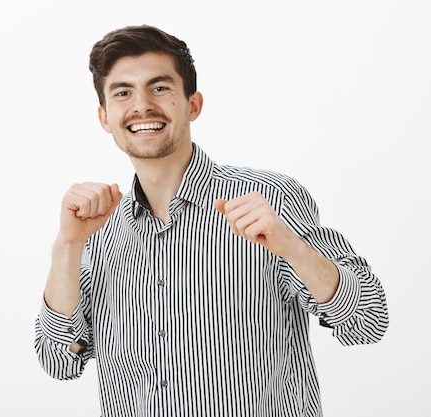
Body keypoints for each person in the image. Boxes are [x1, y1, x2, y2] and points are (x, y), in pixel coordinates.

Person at [34, 24, 389, 416]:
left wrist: (293, 249)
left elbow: (368, 321)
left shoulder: (271, 201)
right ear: (105, 117)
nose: (142, 105)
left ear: (193, 104)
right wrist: (67, 247)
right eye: (122, 92)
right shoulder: (97, 230)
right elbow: (59, 361)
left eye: (160, 87)